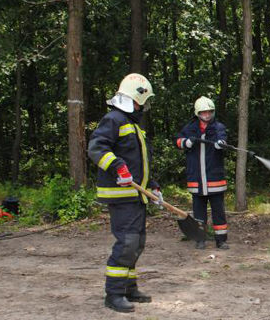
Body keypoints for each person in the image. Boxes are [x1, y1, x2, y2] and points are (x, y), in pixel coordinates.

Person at [88, 73, 161, 313]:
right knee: (127, 242)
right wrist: (117, 166)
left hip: (136, 196)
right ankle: (114, 293)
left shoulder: (134, 125)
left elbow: (142, 162)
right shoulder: (113, 119)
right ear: (133, 98)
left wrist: (154, 186)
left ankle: (129, 287)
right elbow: (96, 147)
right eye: (143, 101)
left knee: (137, 243)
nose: (145, 107)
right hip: (120, 196)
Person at [175, 96, 230, 250]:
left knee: (218, 212)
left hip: (215, 180)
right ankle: (200, 239)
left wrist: (221, 144)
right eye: (203, 112)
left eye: (209, 112)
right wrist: (186, 142)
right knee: (199, 214)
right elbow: (177, 141)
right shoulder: (189, 128)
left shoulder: (218, 127)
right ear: (197, 113)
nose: (207, 115)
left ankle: (221, 240)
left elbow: (223, 139)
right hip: (196, 179)